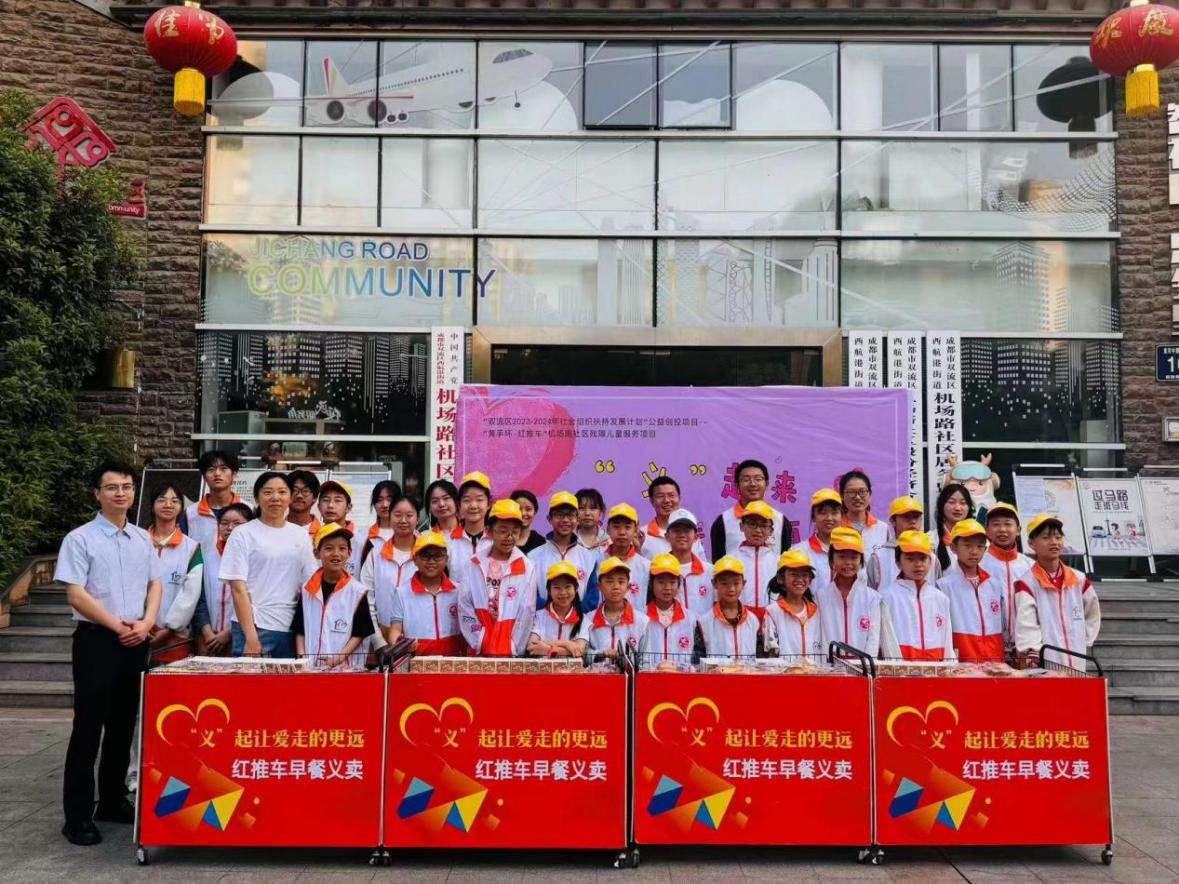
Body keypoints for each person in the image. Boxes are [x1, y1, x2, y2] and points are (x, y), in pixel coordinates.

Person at [56, 460, 163, 846]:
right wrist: (119, 626)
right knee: (88, 728)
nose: (121, 493)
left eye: (127, 487)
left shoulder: (142, 538)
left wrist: (147, 622)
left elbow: (155, 583)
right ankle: (77, 816)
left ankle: (113, 800)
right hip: (97, 641)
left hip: (136, 639)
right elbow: (76, 594)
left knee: (123, 725)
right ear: (97, 493)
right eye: (112, 487)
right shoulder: (80, 539)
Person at [220, 472, 318, 657]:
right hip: (255, 626)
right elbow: (238, 589)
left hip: (290, 628)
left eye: (282, 492)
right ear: (257, 498)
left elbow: (310, 582)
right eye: (268, 492)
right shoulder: (243, 534)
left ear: (290, 497)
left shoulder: (300, 535)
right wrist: (251, 638)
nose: (275, 497)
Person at [1013, 513, 1101, 671]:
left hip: (1078, 658)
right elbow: (1026, 626)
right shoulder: (1026, 583)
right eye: (1046, 537)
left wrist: (1084, 639)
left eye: (1058, 537)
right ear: (1031, 543)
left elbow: (1092, 612)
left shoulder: (1078, 579)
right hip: (1046, 663)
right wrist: (1033, 652)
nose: (1054, 542)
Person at [456, 499, 538, 656]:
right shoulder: (474, 563)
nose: (509, 537)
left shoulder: (527, 567)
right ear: (489, 531)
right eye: (503, 530)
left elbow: (527, 612)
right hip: (478, 651)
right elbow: (464, 605)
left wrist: (513, 647)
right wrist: (479, 640)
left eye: (515, 531)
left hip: (510, 652)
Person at [292, 524, 374, 668]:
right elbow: (300, 630)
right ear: (317, 553)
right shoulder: (307, 590)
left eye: (342, 548)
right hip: (311, 670)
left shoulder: (357, 592)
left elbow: (359, 633)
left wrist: (339, 659)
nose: (336, 554)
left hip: (345, 670)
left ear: (349, 553)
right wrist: (302, 659)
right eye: (329, 548)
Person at [145, 484, 204, 666]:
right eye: (162, 500)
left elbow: (190, 594)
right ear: (152, 505)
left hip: (176, 637)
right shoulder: (138, 542)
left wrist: (171, 627)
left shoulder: (191, 548)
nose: (168, 505)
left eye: (174, 501)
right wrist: (142, 624)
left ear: (181, 508)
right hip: (136, 631)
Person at [382, 532, 464, 655]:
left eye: (438, 556)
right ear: (415, 559)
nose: (431, 561)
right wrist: (399, 643)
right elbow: (395, 629)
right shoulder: (402, 593)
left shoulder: (458, 591)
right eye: (425, 556)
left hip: (453, 661)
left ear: (446, 559)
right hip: (417, 661)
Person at [938, 519, 1005, 663]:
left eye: (980, 546)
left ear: (985, 549)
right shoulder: (944, 587)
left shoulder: (995, 585)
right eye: (967, 545)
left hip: (995, 664)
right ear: (953, 548)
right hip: (962, 665)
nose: (974, 552)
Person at [880, 530, 952, 661]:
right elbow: (887, 644)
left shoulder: (941, 599)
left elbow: (947, 645)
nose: (918, 564)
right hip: (901, 671)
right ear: (898, 563)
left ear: (930, 561)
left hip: (936, 671)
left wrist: (948, 669)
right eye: (910, 559)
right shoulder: (887, 598)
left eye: (923, 558)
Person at [816, 527, 887, 658]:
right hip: (829, 665)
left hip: (863, 666)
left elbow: (873, 641)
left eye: (854, 557)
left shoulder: (873, 598)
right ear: (831, 560)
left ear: (861, 561)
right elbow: (820, 637)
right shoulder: (820, 597)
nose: (848, 563)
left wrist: (865, 666)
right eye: (842, 557)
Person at [194, 502, 252, 656]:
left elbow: (256, 601)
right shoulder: (206, 555)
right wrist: (207, 631)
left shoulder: (255, 557)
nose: (230, 528)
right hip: (207, 637)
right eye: (224, 523)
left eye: (237, 523)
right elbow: (198, 596)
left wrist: (229, 632)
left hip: (239, 635)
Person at [528, 491, 601, 612]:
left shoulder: (589, 557)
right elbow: (530, 596)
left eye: (570, 515)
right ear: (549, 519)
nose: (565, 520)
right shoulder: (533, 556)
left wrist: (572, 615)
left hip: (578, 622)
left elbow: (592, 598)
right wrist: (552, 613)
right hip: (543, 622)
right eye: (559, 515)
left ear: (577, 519)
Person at [709, 459, 787, 557]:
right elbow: (717, 562)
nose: (753, 484)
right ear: (737, 486)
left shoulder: (781, 520)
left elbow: (786, 562)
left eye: (758, 479)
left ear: (767, 484)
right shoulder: (723, 521)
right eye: (746, 480)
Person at [981, 502, 1033, 640]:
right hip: (989, 643)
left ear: (1018, 530)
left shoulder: (1031, 566)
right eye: (996, 524)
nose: (1002, 529)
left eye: (1008, 524)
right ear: (987, 530)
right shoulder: (978, 564)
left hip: (1025, 644)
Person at [763, 549, 824, 662]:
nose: (800, 580)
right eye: (794, 574)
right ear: (781, 579)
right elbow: (771, 654)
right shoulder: (772, 612)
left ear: (810, 580)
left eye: (805, 575)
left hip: (815, 671)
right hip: (784, 672)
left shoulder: (816, 610)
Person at [696, 556, 762, 659]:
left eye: (736, 583)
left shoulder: (753, 621)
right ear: (714, 584)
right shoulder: (704, 623)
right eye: (724, 583)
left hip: (748, 670)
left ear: (743, 584)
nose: (731, 588)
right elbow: (698, 660)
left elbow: (760, 659)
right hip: (716, 670)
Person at [361, 495, 419, 608]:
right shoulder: (375, 554)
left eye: (409, 515)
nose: (403, 520)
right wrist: (374, 620)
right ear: (390, 518)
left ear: (417, 519)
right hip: (382, 620)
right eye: (397, 515)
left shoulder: (425, 554)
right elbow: (367, 593)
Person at [584, 556, 649, 658]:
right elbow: (583, 653)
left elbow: (646, 660)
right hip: (598, 669)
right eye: (609, 581)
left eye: (621, 582)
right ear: (599, 587)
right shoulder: (588, 620)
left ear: (628, 587)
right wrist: (600, 654)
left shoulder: (642, 621)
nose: (616, 587)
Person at [639, 554, 697, 668]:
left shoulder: (691, 619)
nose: (667, 587)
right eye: (661, 582)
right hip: (649, 678)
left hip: (683, 678)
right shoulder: (641, 618)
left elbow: (697, 660)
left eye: (672, 582)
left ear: (679, 584)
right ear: (651, 584)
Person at [183, 450, 241, 553]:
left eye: (223, 469)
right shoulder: (190, 514)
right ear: (204, 477)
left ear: (234, 474)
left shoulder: (249, 510)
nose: (217, 473)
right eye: (211, 469)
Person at [527, 561, 588, 658]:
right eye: (557, 587)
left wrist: (547, 649)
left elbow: (579, 650)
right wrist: (567, 644)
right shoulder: (539, 616)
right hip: (543, 667)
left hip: (571, 668)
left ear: (576, 588)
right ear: (549, 590)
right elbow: (532, 646)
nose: (563, 592)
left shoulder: (583, 619)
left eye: (568, 587)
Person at [730, 499, 777, 622]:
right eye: (752, 524)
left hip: (771, 621)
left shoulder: (779, 562)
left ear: (771, 530)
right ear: (741, 526)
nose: (758, 530)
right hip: (739, 621)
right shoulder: (730, 560)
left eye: (763, 525)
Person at [866, 497, 925, 590]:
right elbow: (870, 594)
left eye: (916, 517)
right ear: (893, 521)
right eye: (906, 516)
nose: (913, 521)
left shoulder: (931, 555)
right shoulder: (878, 557)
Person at [641, 476, 705, 558]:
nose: (667, 500)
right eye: (660, 496)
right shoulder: (642, 536)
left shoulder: (690, 533)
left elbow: (702, 564)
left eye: (671, 495)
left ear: (679, 498)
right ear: (652, 501)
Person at [791, 488, 844, 588]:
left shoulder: (851, 552)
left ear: (842, 516)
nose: (829, 518)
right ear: (813, 517)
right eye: (823, 512)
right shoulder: (799, 552)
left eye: (834, 512)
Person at [667, 508, 713, 616]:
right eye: (677, 530)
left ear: (696, 537)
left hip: (703, 627)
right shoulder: (658, 571)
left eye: (687, 531)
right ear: (667, 536)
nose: (682, 535)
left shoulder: (711, 571)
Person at [603, 503, 650, 609]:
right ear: (608, 529)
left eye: (627, 527)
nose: (622, 532)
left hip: (636, 619)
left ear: (635, 530)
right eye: (616, 527)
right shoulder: (598, 561)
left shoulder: (646, 566)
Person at [354, 480, 403, 572]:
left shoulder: (410, 535)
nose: (385, 505)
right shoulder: (362, 536)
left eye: (389, 499)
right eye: (379, 500)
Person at [839, 470, 888, 558]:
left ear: (870, 494)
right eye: (851, 492)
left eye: (862, 492)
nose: (857, 497)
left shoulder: (882, 528)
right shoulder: (836, 528)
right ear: (842, 495)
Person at [934, 483, 974, 578]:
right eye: (951, 502)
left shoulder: (980, 540)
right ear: (942, 506)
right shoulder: (930, 540)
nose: (957, 508)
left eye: (963, 503)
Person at [454, 471, 493, 560]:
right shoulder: (449, 542)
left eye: (479, 500)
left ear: (489, 504)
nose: (473, 506)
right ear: (459, 505)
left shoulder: (496, 540)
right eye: (467, 500)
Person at [286, 469, 322, 538]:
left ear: (314, 498)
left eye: (305, 491)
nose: (299, 496)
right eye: (294, 490)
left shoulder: (323, 532)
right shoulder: (275, 528)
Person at [576, 488, 609, 557]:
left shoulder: (609, 542)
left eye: (593, 508)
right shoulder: (568, 541)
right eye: (582, 508)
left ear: (600, 512)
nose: (587, 513)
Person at [511, 489, 547, 554]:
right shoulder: (502, 541)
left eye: (528, 509)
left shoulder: (542, 543)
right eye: (518, 509)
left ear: (535, 512)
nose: (523, 513)